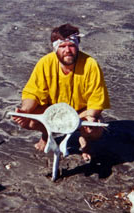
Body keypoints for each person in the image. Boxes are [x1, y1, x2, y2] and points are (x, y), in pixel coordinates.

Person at [12, 23, 110, 161]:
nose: (67, 50)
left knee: (95, 129)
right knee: (28, 120)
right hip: (53, 111)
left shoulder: (90, 64)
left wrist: (91, 116)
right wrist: (25, 110)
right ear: (55, 48)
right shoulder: (45, 63)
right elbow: (32, 93)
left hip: (81, 112)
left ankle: (85, 142)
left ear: (77, 46)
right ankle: (46, 135)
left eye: (71, 45)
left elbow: (96, 99)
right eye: (62, 46)